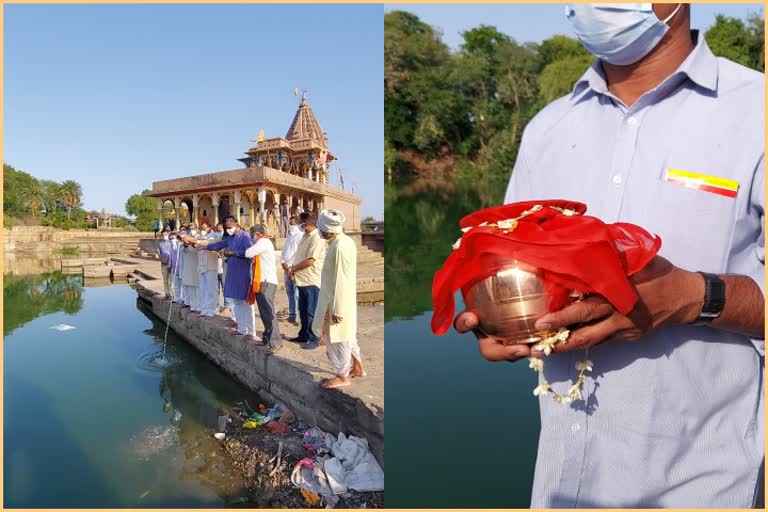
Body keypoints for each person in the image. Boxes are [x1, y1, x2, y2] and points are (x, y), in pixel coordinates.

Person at [453, 4, 764, 508]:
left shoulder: (755, 111)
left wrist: (693, 297)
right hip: (560, 483)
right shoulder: (548, 129)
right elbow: (512, 264)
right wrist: (500, 321)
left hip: (701, 485)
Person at [312, 209, 365, 388]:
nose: (319, 231)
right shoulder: (341, 242)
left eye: (320, 228)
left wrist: (338, 310)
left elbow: (341, 279)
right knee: (347, 336)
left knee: (337, 340)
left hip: (336, 301)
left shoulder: (340, 246)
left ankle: (343, 376)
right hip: (337, 299)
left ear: (326, 229)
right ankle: (358, 368)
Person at [198, 216, 255, 336]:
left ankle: (251, 331)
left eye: (230, 227)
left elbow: (250, 253)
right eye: (227, 228)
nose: (228, 229)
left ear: (237, 225)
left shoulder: (245, 237)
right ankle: (241, 328)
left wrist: (234, 253)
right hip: (233, 272)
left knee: (245, 303)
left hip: (243, 273)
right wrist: (206, 247)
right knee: (236, 302)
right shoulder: (230, 238)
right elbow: (219, 244)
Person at [286, 211, 326, 350]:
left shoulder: (317, 238)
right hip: (302, 279)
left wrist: (294, 269)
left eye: (300, 224)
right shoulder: (305, 236)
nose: (299, 226)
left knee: (311, 311)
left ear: (307, 224)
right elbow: (300, 255)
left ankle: (314, 338)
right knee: (302, 310)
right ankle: (304, 334)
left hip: (311, 280)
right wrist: (293, 271)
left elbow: (310, 260)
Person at [243, 224, 283, 352]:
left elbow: (248, 253)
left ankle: (275, 342)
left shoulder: (264, 242)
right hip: (261, 281)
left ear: (258, 234)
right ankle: (267, 339)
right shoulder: (263, 243)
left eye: (253, 236)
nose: (252, 238)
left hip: (267, 281)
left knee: (269, 312)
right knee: (264, 313)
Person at [280, 216, 302, 325]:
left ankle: (298, 317)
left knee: (297, 293)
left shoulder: (300, 236)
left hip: (294, 268)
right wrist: (283, 262)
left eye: (292, 224)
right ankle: (292, 314)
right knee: (290, 292)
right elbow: (285, 251)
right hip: (286, 267)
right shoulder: (289, 237)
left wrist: (290, 266)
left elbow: (297, 253)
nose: (290, 226)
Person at [195, 221, 219, 317]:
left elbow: (208, 244)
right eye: (202, 228)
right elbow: (197, 246)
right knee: (202, 289)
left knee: (211, 289)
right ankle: (204, 308)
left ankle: (211, 310)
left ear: (209, 227)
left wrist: (197, 242)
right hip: (201, 266)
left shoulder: (215, 237)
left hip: (211, 266)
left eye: (205, 228)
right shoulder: (200, 237)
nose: (203, 230)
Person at [181, 222, 201, 312]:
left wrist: (192, 242)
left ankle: (199, 306)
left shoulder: (200, 236)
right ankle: (192, 305)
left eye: (193, 228)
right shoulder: (185, 238)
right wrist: (185, 244)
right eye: (190, 228)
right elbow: (183, 250)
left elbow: (200, 246)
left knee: (198, 286)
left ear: (196, 228)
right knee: (190, 285)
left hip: (198, 263)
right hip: (188, 264)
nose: (191, 230)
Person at [157, 228, 173, 299]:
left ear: (168, 233)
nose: (164, 235)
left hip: (171, 262)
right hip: (163, 262)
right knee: (165, 278)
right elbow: (158, 252)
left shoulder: (172, 242)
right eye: (163, 234)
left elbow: (173, 252)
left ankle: (172, 293)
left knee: (171, 279)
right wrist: (161, 259)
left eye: (165, 234)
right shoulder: (160, 243)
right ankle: (167, 293)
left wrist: (169, 259)